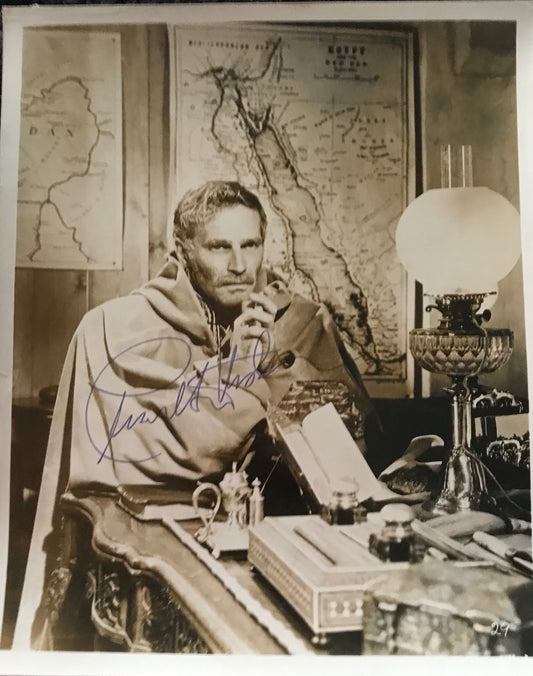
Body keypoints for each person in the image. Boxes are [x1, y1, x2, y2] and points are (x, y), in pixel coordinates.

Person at [15, 180, 381, 648]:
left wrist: (278, 373)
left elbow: (353, 447)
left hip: (281, 551)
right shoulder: (115, 327)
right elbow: (159, 449)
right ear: (183, 249)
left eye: (250, 245)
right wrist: (242, 376)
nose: (239, 265)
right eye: (219, 246)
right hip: (156, 549)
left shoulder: (301, 322)